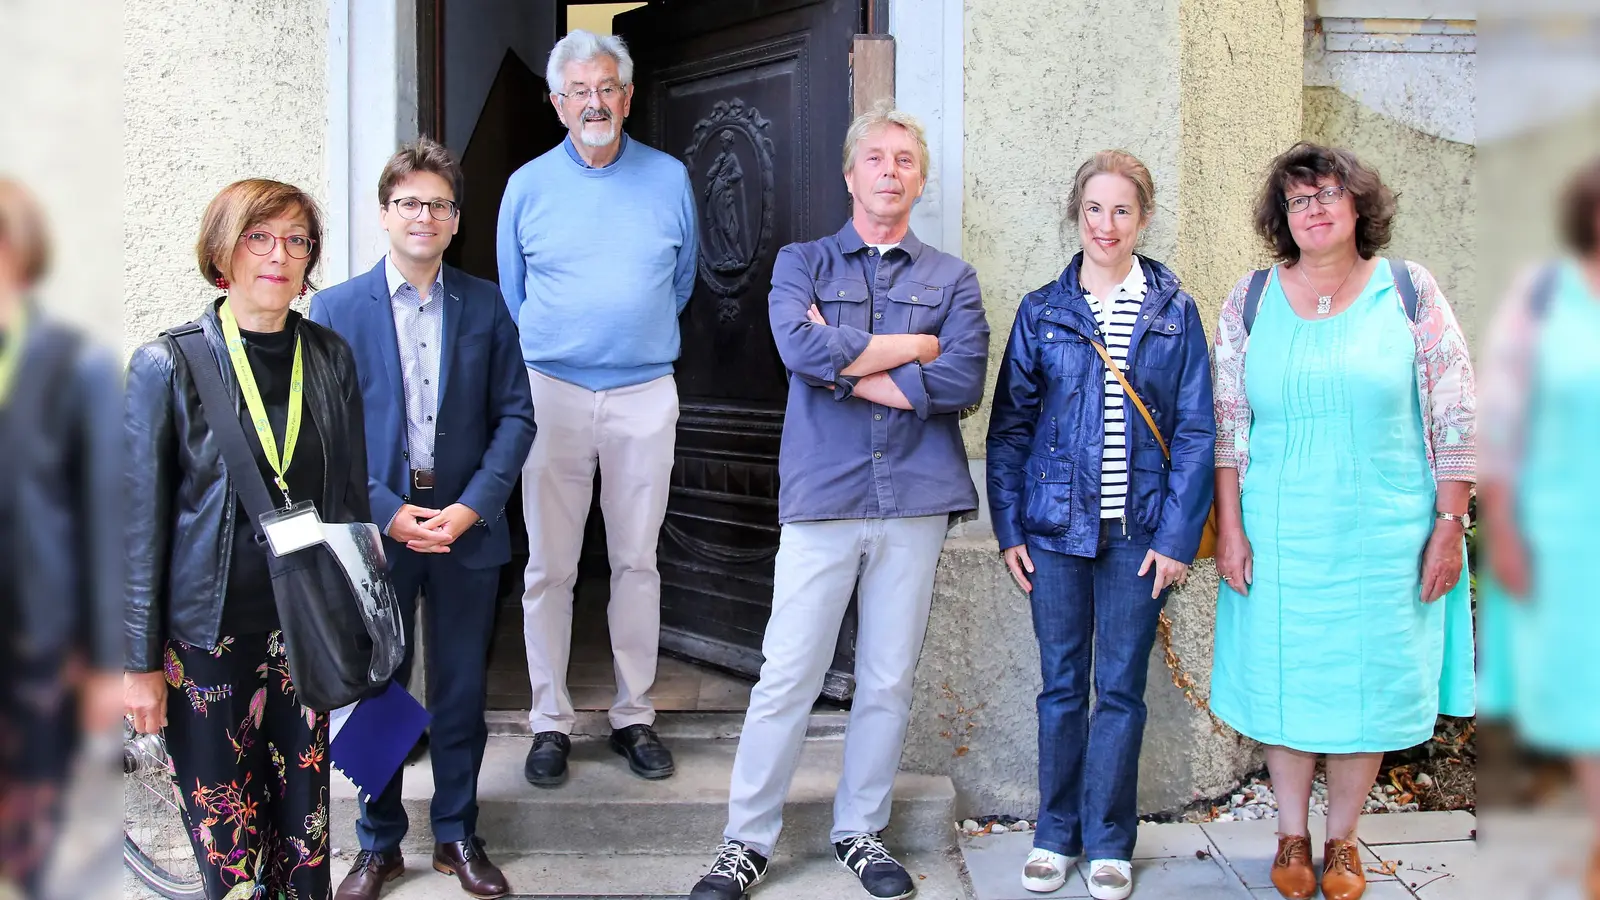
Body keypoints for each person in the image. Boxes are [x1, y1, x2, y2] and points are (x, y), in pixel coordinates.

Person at [687, 105, 989, 900]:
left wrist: (850, 364)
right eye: (877, 158)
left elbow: (962, 380)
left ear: (919, 180)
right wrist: (916, 350)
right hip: (823, 495)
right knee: (787, 673)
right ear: (851, 174)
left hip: (915, 500)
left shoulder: (951, 278)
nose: (890, 171)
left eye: (905, 161)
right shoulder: (802, 262)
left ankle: (861, 830)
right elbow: (798, 347)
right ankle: (744, 842)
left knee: (887, 679)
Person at [1208, 143, 1476, 900]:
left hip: (1386, 537)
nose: (1314, 208)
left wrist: (1449, 524)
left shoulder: (1409, 290)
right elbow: (1228, 424)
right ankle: (1292, 833)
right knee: (1285, 681)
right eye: (1297, 200)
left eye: (1327, 193)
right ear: (1282, 218)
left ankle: (1345, 841)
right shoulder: (1249, 298)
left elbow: (1455, 410)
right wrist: (1229, 527)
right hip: (1278, 533)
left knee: (1368, 685)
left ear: (1359, 204)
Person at [124, 179, 369, 900]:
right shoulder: (165, 366)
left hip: (302, 635)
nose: (279, 254)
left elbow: (349, 503)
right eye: (260, 237)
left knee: (306, 837)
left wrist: (356, 628)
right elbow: (136, 530)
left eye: (297, 240)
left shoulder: (329, 357)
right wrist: (136, 664)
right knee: (233, 855)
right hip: (206, 645)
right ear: (223, 252)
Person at [986, 150, 1215, 900]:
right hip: (1054, 532)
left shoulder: (1174, 313)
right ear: (1076, 213)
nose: (1106, 224)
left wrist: (1178, 539)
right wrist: (1010, 529)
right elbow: (1011, 429)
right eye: (1094, 209)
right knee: (1060, 686)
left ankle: (1111, 841)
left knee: (1118, 688)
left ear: (1143, 218)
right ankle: (1055, 834)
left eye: (1121, 210)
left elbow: (1194, 432)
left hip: (1138, 536)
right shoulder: (1041, 310)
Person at [312, 138, 535, 900]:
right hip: (378, 530)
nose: (424, 215)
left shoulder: (486, 301)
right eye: (409, 201)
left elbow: (516, 417)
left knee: (462, 687)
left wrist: (471, 507)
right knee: (381, 684)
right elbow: (322, 434)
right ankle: (378, 844)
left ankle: (457, 834)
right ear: (384, 214)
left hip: (466, 526)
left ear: (455, 220)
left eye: (438, 204)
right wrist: (385, 509)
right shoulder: (335, 310)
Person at [496, 29, 696, 787]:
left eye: (606, 87)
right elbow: (516, 293)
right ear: (556, 102)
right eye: (577, 90)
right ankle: (549, 721)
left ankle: (633, 714)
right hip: (551, 391)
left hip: (646, 390)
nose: (593, 102)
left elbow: (682, 282)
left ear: (628, 96)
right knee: (548, 565)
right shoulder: (526, 185)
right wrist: (571, 346)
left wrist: (629, 339)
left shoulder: (669, 178)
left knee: (636, 561)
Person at [1477, 155, 1600, 900]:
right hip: (1564, 533)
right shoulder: (1544, 295)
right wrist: (1506, 531)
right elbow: (1498, 417)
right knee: (1584, 691)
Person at [0, 179, 121, 899]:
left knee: (32, 838)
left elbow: (106, 513)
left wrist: (110, 660)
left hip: (38, 643)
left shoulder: (75, 365)